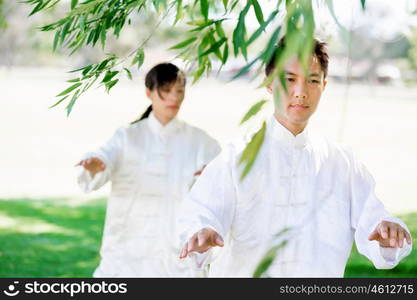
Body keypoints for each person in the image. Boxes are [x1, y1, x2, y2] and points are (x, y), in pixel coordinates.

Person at [178, 37, 412, 277]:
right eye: (289, 79)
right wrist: (200, 232)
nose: (301, 92)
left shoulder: (342, 163)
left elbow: (375, 221)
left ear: (324, 85)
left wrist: (388, 233)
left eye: (312, 80)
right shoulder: (235, 158)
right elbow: (199, 214)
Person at [75, 62, 221, 277]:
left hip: (178, 254)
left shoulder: (201, 142)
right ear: (149, 92)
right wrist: (95, 166)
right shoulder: (127, 137)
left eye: (179, 91)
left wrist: (214, 176)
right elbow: (104, 158)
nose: (174, 98)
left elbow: (223, 181)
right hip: (127, 251)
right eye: (166, 90)